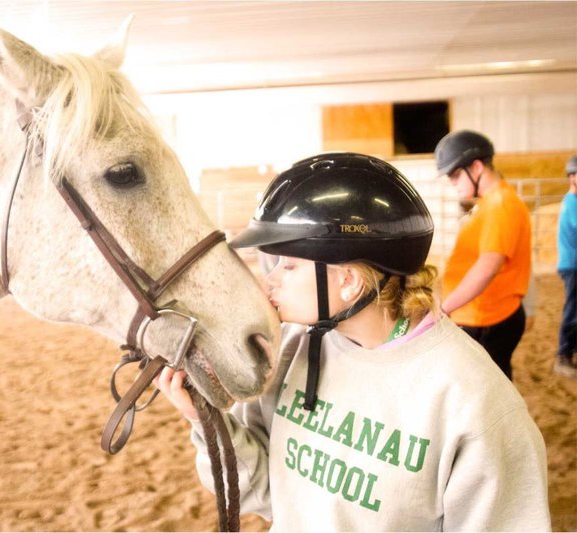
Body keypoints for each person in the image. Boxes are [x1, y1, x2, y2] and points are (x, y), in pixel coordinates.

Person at [156, 153, 550, 530]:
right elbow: (266, 491)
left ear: (348, 281)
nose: (270, 281)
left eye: (289, 266)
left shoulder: (474, 403)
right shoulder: (295, 349)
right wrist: (203, 418)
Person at [435, 130, 531, 380]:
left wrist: (444, 307)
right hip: (480, 315)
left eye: (455, 175)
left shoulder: (501, 205)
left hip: (488, 319)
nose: (453, 183)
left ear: (476, 167)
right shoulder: (488, 203)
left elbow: (488, 265)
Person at [554, 155, 577, 378]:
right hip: (572, 265)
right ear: (573, 177)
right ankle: (563, 356)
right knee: (572, 311)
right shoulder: (571, 203)